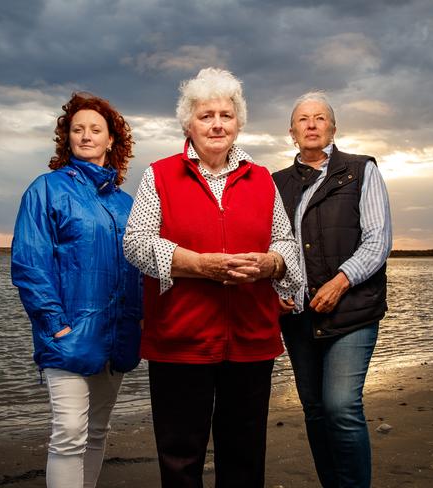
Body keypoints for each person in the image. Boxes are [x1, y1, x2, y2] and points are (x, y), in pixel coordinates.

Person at [123, 67, 302, 488]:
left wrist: (270, 265)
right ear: (189, 123)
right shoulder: (159, 174)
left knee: (243, 457)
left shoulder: (261, 179)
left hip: (251, 340)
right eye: (206, 115)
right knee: (180, 459)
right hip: (180, 340)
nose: (217, 124)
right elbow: (135, 243)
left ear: (239, 123)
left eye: (226, 114)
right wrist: (198, 265)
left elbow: (286, 243)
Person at [11, 92, 142, 488]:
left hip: (117, 337)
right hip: (67, 336)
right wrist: (55, 325)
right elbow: (30, 264)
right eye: (77, 129)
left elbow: (137, 270)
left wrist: (138, 323)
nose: (86, 136)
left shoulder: (126, 203)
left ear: (111, 140)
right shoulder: (45, 189)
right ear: (66, 138)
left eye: (95, 130)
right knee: (69, 432)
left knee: (98, 431)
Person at [272, 91, 393, 488]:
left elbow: (377, 240)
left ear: (333, 128)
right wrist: (278, 291)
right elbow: (272, 246)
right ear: (292, 132)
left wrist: (340, 282)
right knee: (315, 410)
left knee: (341, 406)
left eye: (320, 118)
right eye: (303, 119)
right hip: (298, 317)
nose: (311, 124)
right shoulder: (275, 184)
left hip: (352, 311)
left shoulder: (361, 170)